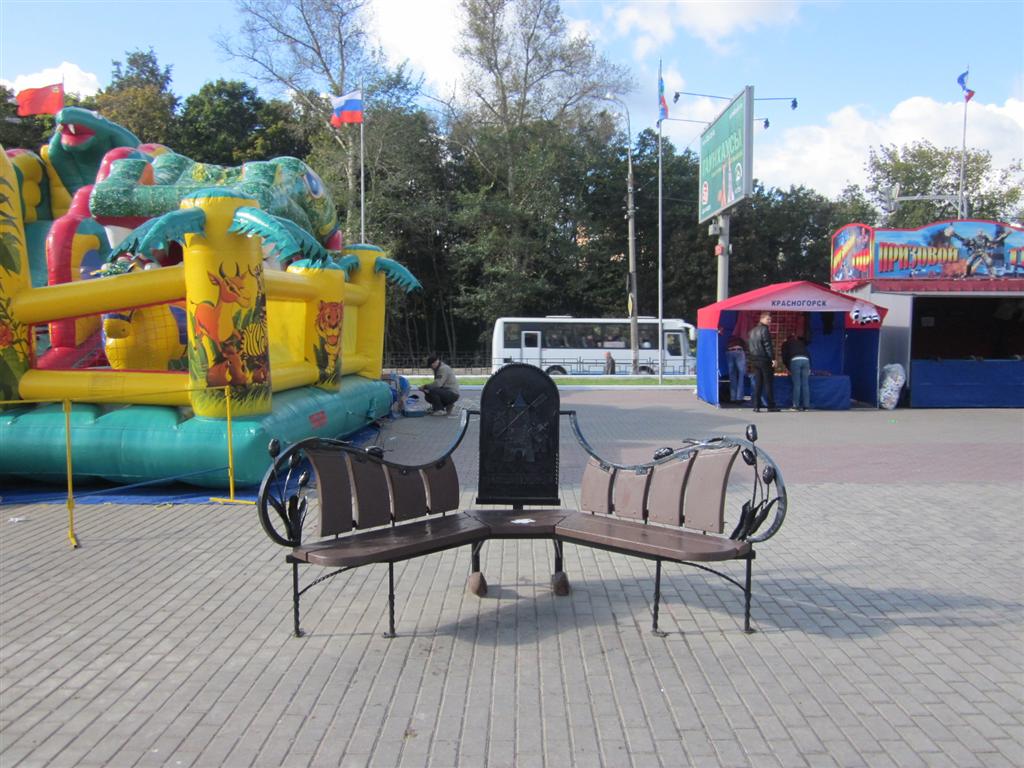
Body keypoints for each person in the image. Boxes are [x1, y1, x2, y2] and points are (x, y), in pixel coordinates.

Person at [747, 312, 778, 413]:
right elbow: (767, 345)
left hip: (754, 360)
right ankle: (771, 406)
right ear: (762, 319)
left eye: (770, 319)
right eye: (768, 319)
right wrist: (773, 359)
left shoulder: (752, 331)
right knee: (768, 383)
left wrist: (751, 358)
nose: (770, 321)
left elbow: (749, 345)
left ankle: (756, 406)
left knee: (758, 383)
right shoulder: (765, 330)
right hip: (764, 359)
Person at [782, 334, 811, 411]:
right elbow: (808, 353)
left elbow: (784, 357)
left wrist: (788, 368)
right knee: (805, 384)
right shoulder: (801, 343)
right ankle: (806, 406)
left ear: (786, 339)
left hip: (795, 360)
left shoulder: (786, 343)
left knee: (797, 384)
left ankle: (796, 406)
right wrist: (810, 367)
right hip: (806, 360)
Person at [725, 334, 747, 404]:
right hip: (739, 351)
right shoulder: (743, 329)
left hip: (729, 351)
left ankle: (733, 397)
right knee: (741, 375)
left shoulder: (730, 333)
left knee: (732, 376)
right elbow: (745, 339)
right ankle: (739, 397)